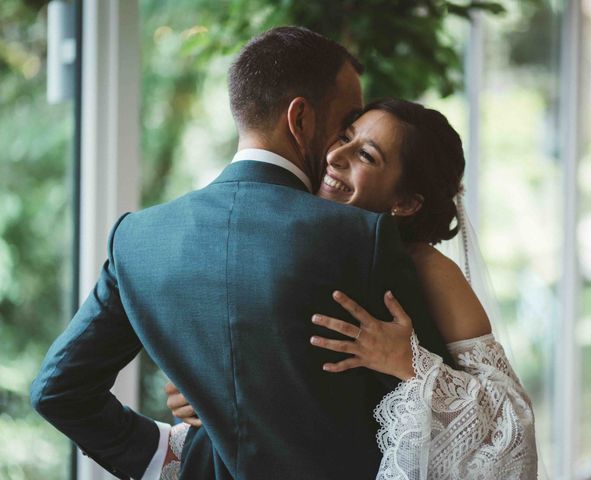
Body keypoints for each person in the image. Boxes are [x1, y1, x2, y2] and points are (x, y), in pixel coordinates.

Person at [30, 27, 453, 480]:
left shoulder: (138, 238)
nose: (338, 151)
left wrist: (166, 457)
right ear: (301, 120)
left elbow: (58, 390)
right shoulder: (363, 237)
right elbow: (437, 424)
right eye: (345, 123)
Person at [163, 99, 539, 479]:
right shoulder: (283, 236)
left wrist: (409, 363)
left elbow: (512, 423)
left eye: (365, 155)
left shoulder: (431, 270)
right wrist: (204, 387)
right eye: (344, 137)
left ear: (406, 202)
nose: (335, 155)